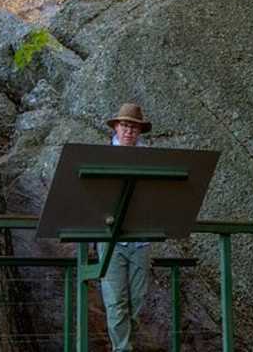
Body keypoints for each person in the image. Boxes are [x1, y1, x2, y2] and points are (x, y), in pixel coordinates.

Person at [99, 103, 153, 352]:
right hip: (111, 237)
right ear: (116, 128)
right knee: (115, 300)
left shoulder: (150, 158)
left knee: (138, 299)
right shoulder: (104, 156)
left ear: (140, 130)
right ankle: (122, 349)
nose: (129, 131)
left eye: (134, 126)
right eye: (125, 125)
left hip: (140, 237)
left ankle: (127, 342)